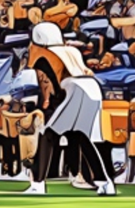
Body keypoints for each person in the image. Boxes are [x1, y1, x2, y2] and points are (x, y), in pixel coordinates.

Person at [21, 22, 114, 196]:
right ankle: (105, 182)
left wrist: (46, 105)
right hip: (92, 89)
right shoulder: (71, 50)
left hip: (75, 90)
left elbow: (47, 84)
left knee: (48, 134)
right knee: (80, 136)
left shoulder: (43, 54)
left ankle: (38, 184)